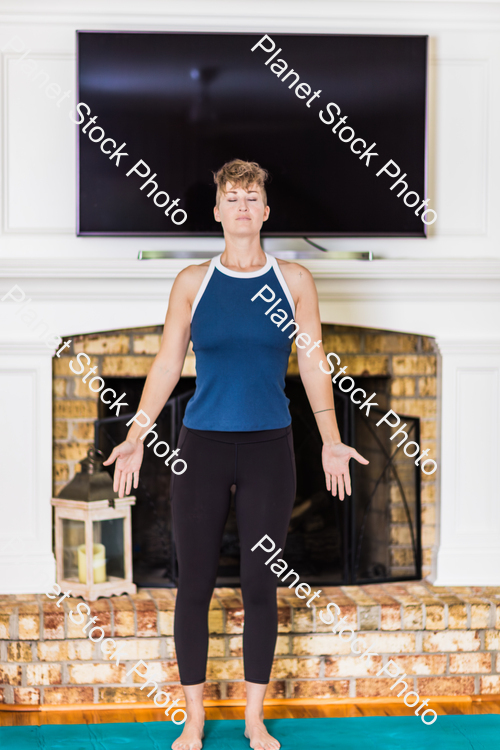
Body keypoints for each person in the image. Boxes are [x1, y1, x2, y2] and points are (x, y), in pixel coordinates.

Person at [104, 159, 368, 750]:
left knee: (259, 585)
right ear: (217, 210)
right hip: (202, 449)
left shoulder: (295, 280)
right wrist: (136, 434)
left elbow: (313, 362)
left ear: (266, 211)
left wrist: (330, 439)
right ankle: (194, 718)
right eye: (233, 197)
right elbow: (169, 364)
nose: (243, 206)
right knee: (193, 583)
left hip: (270, 449)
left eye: (253, 197)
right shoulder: (193, 283)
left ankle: (253, 718)